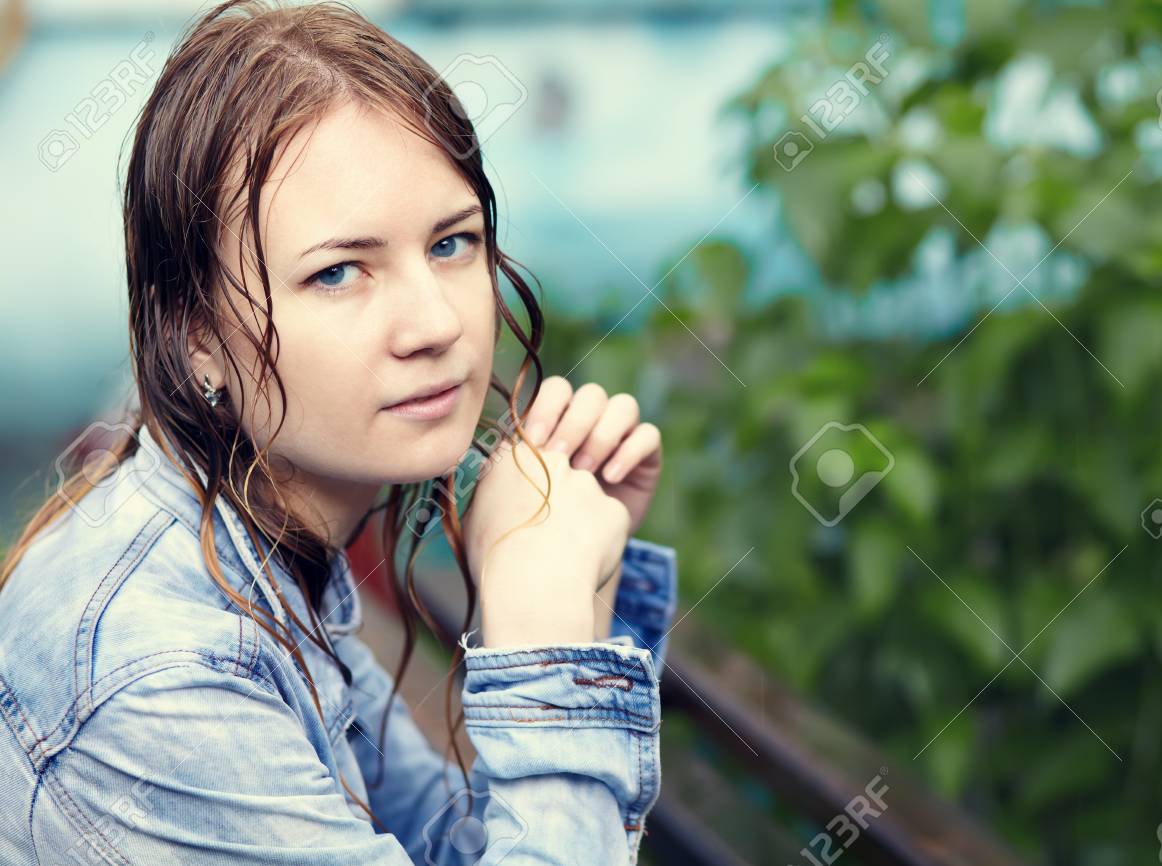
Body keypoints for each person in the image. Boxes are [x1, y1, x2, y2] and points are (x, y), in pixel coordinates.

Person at [0, 2, 677, 863]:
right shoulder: (162, 676)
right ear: (198, 336)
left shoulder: (263, 559)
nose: (433, 324)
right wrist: (539, 631)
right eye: (338, 272)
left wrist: (578, 573)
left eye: (451, 244)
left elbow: (449, 848)